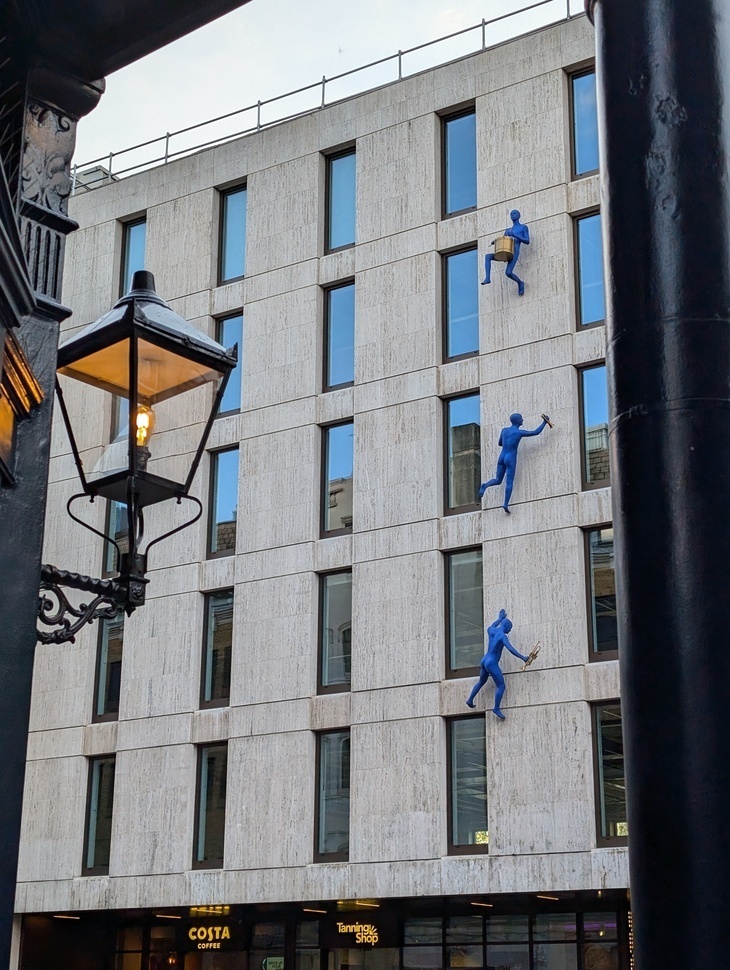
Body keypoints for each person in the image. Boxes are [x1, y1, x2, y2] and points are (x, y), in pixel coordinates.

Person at [478, 412, 550, 513]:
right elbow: (535, 432)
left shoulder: (504, 431)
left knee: (498, 480)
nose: (523, 420)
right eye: (521, 419)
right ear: (517, 421)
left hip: (502, 456)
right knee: (509, 481)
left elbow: (500, 443)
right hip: (510, 457)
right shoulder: (519, 433)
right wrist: (544, 423)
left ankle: (485, 485)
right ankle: (505, 504)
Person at [466, 609, 528, 719]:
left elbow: (491, 626)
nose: (509, 630)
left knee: (481, 681)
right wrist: (522, 657)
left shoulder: (492, 630)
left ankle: (470, 699)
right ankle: (496, 708)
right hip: (491, 662)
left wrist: (500, 618)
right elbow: (510, 649)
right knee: (501, 685)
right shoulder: (502, 636)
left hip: (484, 660)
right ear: (507, 626)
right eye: (510, 628)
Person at [482, 209, 530, 295]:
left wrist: (515, 235)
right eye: (511, 214)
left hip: (514, 252)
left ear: (519, 216)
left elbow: (527, 241)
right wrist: (495, 241)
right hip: (506, 251)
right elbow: (504, 240)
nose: (512, 215)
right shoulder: (508, 230)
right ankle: (487, 278)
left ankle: (520, 283)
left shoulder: (523, 227)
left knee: (508, 273)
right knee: (488, 256)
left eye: (514, 213)